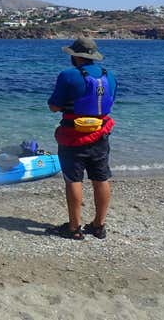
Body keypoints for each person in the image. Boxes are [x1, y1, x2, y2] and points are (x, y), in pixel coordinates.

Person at [46, 37, 117, 240]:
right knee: (101, 178)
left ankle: (74, 228)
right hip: (101, 135)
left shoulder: (68, 75)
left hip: (73, 136)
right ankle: (98, 225)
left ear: (76, 56)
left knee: (73, 180)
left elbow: (54, 107)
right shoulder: (109, 76)